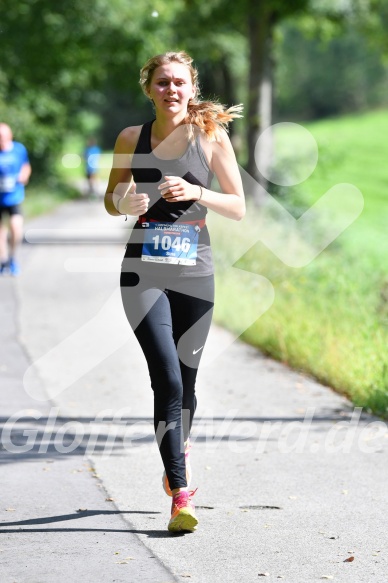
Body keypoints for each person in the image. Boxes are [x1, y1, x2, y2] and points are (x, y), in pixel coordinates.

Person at [104, 51, 245, 533]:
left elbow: (239, 206)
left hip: (195, 274)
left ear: (192, 87)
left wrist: (198, 193)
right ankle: (181, 494)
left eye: (179, 83)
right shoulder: (130, 138)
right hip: (142, 273)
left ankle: (174, 451)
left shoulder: (211, 137)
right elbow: (110, 198)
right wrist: (125, 200)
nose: (171, 90)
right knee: (165, 376)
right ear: (149, 88)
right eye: (162, 83)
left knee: (186, 384)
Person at [0, 123, 31, 276]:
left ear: (10, 136)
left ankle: (12, 257)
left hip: (14, 197)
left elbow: (26, 166)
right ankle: (3, 260)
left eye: (4, 136)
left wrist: (23, 176)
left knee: (15, 228)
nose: (2, 140)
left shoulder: (19, 149)